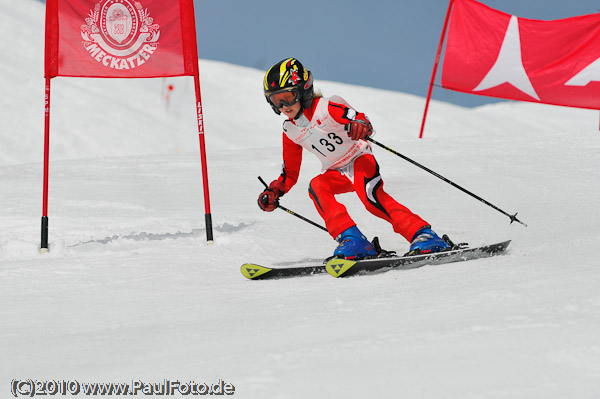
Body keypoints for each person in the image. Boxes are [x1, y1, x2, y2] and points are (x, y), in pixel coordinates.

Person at [258, 58, 450, 259]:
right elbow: (289, 172)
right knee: (317, 186)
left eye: (288, 97)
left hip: (359, 158)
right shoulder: (290, 130)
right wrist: (274, 190)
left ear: (304, 91)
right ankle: (353, 240)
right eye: (275, 101)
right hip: (335, 171)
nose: (283, 106)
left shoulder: (327, 106)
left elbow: (359, 118)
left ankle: (423, 234)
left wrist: (360, 125)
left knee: (371, 197)